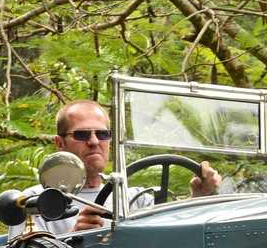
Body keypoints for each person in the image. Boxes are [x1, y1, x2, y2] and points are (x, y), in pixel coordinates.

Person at [11, 99, 221, 236]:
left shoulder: (136, 200)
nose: (94, 141)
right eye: (82, 135)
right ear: (59, 143)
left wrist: (198, 197)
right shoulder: (35, 202)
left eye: (102, 134)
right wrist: (73, 238)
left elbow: (171, 238)